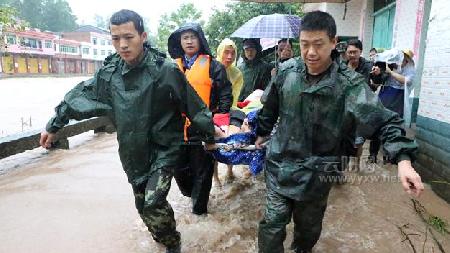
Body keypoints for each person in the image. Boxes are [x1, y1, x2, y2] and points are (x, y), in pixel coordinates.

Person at [39, 10, 222, 253]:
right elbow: (79, 96)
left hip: (164, 149)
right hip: (132, 151)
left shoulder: (164, 70)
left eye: (129, 37)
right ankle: (164, 237)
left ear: (143, 36)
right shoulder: (109, 74)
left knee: (153, 202)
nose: (123, 45)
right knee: (142, 206)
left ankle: (174, 244)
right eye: (116, 39)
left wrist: (211, 135)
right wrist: (54, 125)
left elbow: (193, 105)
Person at [255, 11, 424, 253]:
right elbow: (270, 106)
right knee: (271, 224)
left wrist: (403, 160)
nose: (310, 52)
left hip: (318, 173)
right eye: (304, 45)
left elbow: (384, 121)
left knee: (307, 233)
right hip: (280, 166)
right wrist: (261, 133)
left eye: (318, 44)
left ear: (334, 43)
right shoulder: (286, 72)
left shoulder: (349, 84)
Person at [167, 23, 232, 215]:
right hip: (177, 133)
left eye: (192, 37)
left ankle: (200, 214)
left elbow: (225, 95)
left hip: (203, 130)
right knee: (180, 176)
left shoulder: (214, 66)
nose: (188, 41)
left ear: (200, 40)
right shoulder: (170, 68)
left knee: (202, 177)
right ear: (179, 42)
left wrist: (217, 121)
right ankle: (193, 196)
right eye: (184, 37)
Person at [368, 49, 417, 163]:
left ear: (408, 60)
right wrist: (378, 73)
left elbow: (406, 81)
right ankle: (372, 155)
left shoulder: (410, 71)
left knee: (394, 127)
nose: (402, 61)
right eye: (401, 58)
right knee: (377, 126)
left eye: (405, 59)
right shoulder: (390, 65)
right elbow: (378, 82)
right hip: (384, 98)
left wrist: (391, 72)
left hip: (397, 101)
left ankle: (389, 156)